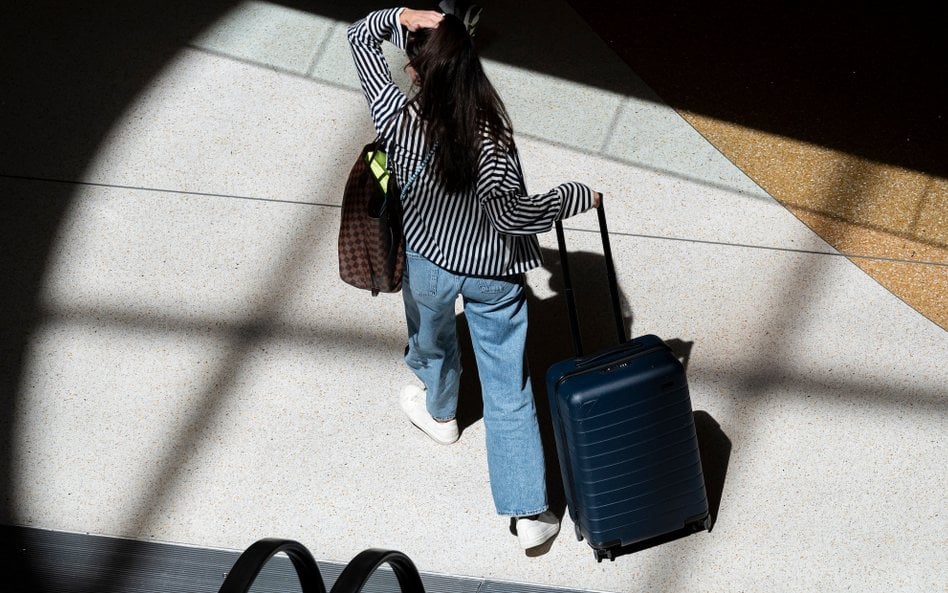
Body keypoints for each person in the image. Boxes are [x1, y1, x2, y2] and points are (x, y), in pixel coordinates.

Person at [347, 5, 601, 550]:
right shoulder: (490, 139)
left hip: (429, 263)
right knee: (508, 389)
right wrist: (574, 196)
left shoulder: (396, 116)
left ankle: (441, 413)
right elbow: (512, 215)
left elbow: (358, 38)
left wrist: (402, 17)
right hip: (492, 277)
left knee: (433, 339)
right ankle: (530, 511)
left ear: (416, 71)